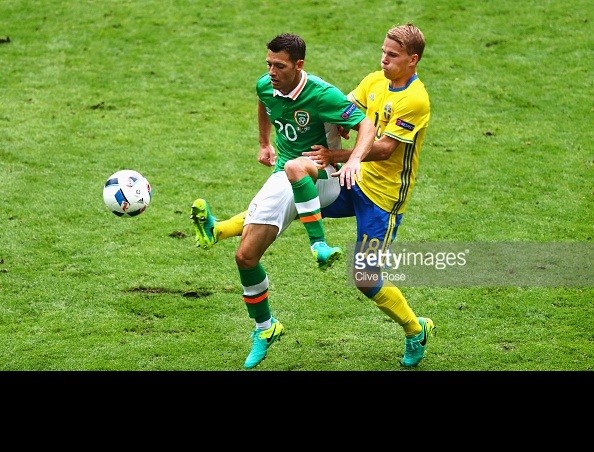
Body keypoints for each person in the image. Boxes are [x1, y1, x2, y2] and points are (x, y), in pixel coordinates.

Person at [193, 24, 435, 369]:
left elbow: (383, 149)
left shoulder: (415, 99)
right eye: (383, 51)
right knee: (294, 192)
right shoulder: (374, 82)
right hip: (353, 179)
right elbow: (343, 111)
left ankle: (416, 328)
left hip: (383, 197)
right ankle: (222, 230)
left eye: (392, 56)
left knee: (365, 277)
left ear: (412, 60)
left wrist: (337, 156)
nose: (383, 60)